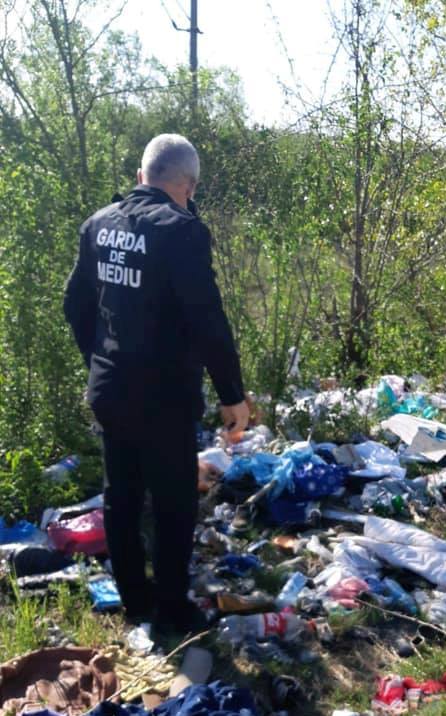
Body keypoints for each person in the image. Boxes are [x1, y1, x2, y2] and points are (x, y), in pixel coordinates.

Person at [64, 134, 249, 634]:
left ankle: (134, 601)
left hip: (110, 388)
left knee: (121, 496)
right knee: (172, 502)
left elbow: (75, 305)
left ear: (141, 176)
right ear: (188, 186)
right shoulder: (182, 231)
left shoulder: (98, 224)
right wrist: (232, 394)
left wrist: (98, 362)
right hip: (163, 396)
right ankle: (171, 608)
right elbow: (207, 320)